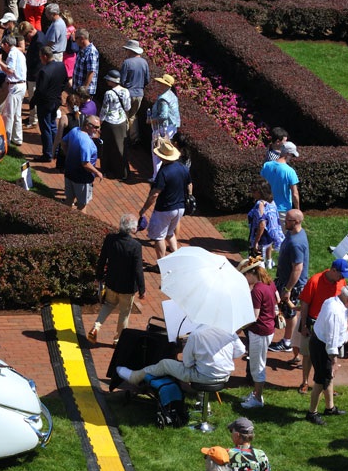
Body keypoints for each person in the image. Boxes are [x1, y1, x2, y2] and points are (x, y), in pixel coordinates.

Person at [306, 283, 348, 425]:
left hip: (320, 342)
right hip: (323, 347)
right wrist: (334, 361)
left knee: (328, 377)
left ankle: (329, 408)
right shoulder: (336, 312)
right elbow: (331, 341)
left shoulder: (332, 301)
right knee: (320, 380)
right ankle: (312, 413)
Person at [117, 324, 245, 386]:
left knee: (165, 363)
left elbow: (187, 363)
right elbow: (240, 351)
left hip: (205, 377)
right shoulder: (228, 330)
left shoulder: (196, 334)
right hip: (225, 375)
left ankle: (135, 377)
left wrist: (193, 351)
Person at [295, 259, 348, 395]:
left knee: (330, 356)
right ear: (333, 270)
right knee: (308, 354)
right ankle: (305, 382)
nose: (342, 278)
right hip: (313, 322)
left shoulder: (342, 283)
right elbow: (305, 304)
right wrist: (304, 326)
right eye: (341, 274)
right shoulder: (315, 281)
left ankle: (328, 383)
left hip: (331, 325)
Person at [90, 214, 145, 344]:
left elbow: (102, 259)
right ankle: (118, 340)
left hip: (112, 282)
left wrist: (98, 277)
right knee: (124, 313)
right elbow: (138, 270)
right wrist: (142, 289)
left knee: (108, 305)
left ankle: (96, 326)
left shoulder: (110, 239)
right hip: (127, 287)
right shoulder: (135, 246)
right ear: (132, 229)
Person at [138, 139, 191, 262]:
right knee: (170, 234)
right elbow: (189, 184)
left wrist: (144, 209)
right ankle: (176, 258)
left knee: (158, 237)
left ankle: (161, 264)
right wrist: (189, 196)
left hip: (165, 209)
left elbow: (155, 194)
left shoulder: (164, 172)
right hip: (180, 208)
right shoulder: (183, 168)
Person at [236, 259, 278, 409]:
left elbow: (253, 317)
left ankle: (258, 399)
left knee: (257, 366)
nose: (245, 279)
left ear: (251, 273)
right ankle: (255, 393)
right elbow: (277, 299)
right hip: (268, 329)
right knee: (258, 363)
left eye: (245, 275)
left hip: (259, 332)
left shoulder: (257, 290)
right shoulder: (269, 284)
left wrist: (238, 329)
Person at [268, 209, 309, 354]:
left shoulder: (296, 243)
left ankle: (287, 342)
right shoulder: (293, 234)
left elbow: (297, 269)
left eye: (288, 221)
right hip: (284, 279)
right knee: (283, 308)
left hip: (292, 284)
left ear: (296, 222)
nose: (285, 223)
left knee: (289, 311)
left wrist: (287, 289)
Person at [31, 46, 68, 162]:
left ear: (45, 57)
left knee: (46, 128)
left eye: (41, 57)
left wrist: (33, 102)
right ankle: (55, 150)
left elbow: (40, 90)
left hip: (45, 103)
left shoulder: (44, 71)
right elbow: (65, 82)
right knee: (52, 125)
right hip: (56, 101)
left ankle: (47, 154)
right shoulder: (61, 66)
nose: (40, 59)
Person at [61, 115, 102, 213]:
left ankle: (64, 220)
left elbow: (63, 142)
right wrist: (97, 172)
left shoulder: (75, 130)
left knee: (69, 199)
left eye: (99, 127)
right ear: (87, 125)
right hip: (82, 179)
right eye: (96, 127)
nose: (98, 130)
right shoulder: (86, 142)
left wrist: (68, 154)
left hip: (69, 173)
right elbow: (85, 163)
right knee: (82, 204)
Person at [99, 69, 131, 180]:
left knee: (106, 147)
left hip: (109, 123)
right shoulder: (126, 91)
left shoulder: (108, 94)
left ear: (112, 81)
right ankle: (122, 172)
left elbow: (104, 110)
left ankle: (106, 170)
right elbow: (127, 107)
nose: (107, 81)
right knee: (120, 148)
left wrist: (100, 122)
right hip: (121, 122)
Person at [147, 74, 179, 181]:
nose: (158, 85)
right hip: (172, 127)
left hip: (163, 128)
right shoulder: (172, 95)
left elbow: (163, 116)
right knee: (164, 149)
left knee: (157, 151)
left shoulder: (163, 98)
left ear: (166, 85)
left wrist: (151, 120)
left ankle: (156, 177)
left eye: (160, 83)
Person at [260, 142, 300, 227]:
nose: (292, 158)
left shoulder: (266, 165)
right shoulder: (290, 172)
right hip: (283, 210)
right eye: (292, 155)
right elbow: (295, 194)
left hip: (266, 207)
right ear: (288, 154)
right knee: (282, 238)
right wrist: (297, 210)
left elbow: (260, 184)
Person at [0, 34, 27, 148]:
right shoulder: (20, 53)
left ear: (6, 44)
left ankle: (6, 139)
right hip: (21, 85)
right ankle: (17, 138)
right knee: (17, 113)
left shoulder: (12, 53)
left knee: (8, 114)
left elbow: (10, 70)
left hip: (15, 86)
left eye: (2, 45)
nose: (2, 47)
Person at [246, 180, 283, 270]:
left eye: (253, 191)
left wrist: (256, 241)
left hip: (261, 236)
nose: (252, 194)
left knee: (255, 264)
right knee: (262, 254)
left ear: (259, 192)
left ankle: (260, 278)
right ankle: (268, 264)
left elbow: (262, 224)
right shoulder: (271, 202)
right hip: (269, 236)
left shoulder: (260, 204)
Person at [119, 40, 149, 146]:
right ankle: (135, 138)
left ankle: (124, 138)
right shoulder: (144, 62)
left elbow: (122, 81)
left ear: (131, 50)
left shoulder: (127, 62)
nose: (126, 52)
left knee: (125, 116)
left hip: (128, 93)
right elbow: (147, 80)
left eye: (127, 50)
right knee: (133, 116)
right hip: (139, 94)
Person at [71, 28, 99, 96]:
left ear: (82, 38)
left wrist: (84, 89)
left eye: (76, 38)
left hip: (84, 92)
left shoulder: (91, 52)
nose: (75, 41)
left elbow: (91, 72)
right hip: (78, 88)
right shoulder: (82, 49)